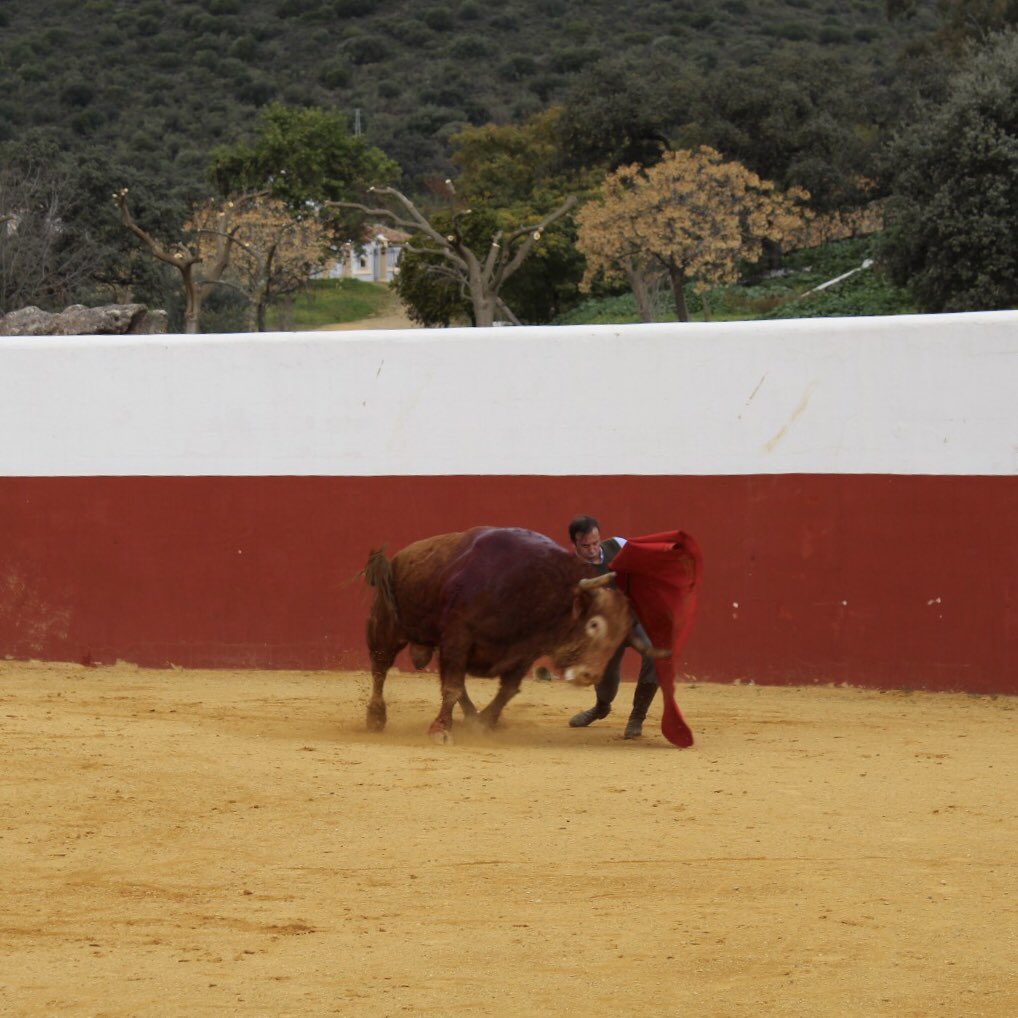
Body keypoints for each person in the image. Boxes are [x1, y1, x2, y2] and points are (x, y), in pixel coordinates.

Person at [567, 514, 658, 739]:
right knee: (607, 682)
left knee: (654, 654)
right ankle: (601, 707)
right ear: (575, 544)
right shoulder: (571, 570)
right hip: (606, 634)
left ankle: (637, 717)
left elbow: (648, 562)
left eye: (595, 543)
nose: (592, 550)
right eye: (585, 546)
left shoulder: (618, 545)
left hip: (632, 620)